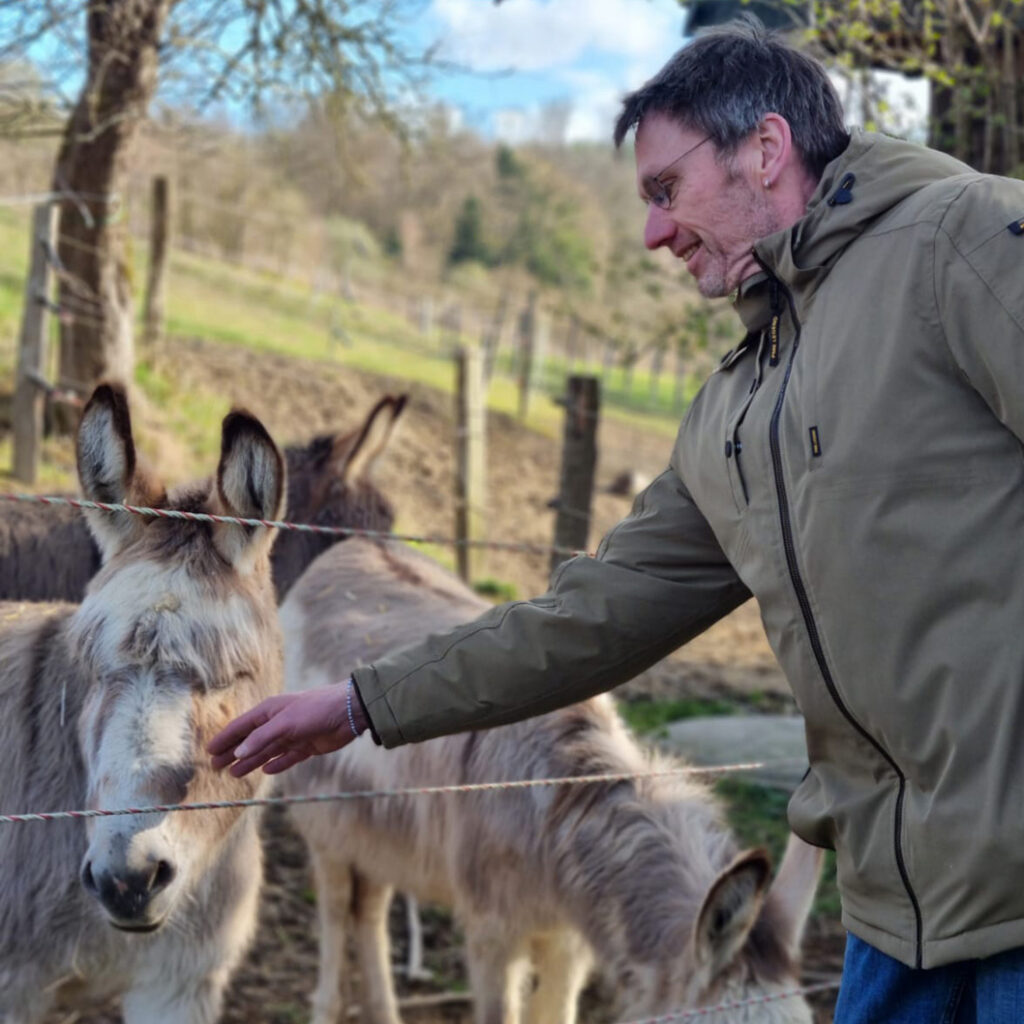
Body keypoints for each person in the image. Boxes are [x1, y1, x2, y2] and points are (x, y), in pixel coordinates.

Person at [209, 17, 1024, 1022]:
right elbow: (586, 618)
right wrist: (364, 703)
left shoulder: (965, 242)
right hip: (897, 920)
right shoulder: (738, 407)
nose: (652, 233)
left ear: (763, 149)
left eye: (664, 190)